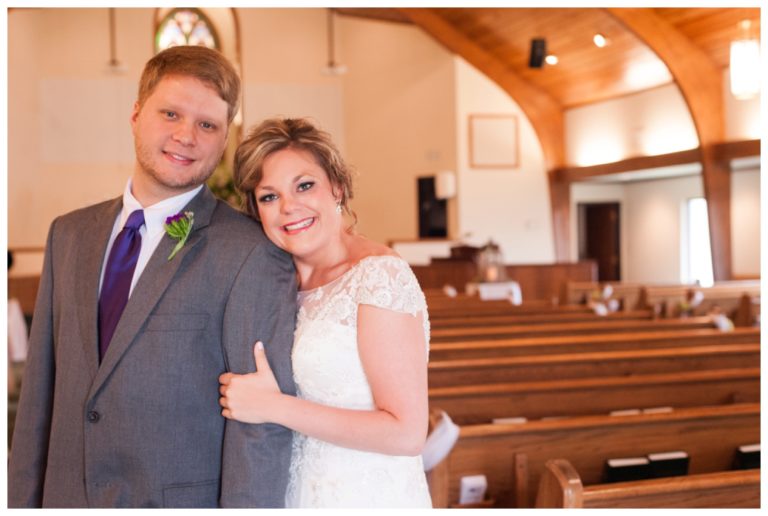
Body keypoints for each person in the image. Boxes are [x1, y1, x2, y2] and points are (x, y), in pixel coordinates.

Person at [8, 46, 297, 508]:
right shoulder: (68, 235)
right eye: (170, 114)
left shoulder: (250, 253)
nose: (187, 136)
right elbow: (40, 395)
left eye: (208, 125)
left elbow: (259, 427)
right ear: (136, 114)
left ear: (225, 139)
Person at [221, 117, 432, 508]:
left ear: (336, 186)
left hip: (365, 495)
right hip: (296, 493)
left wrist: (274, 407)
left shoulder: (377, 277)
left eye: (304, 185)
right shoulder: (274, 283)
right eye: (269, 197)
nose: (289, 207)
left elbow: (406, 433)